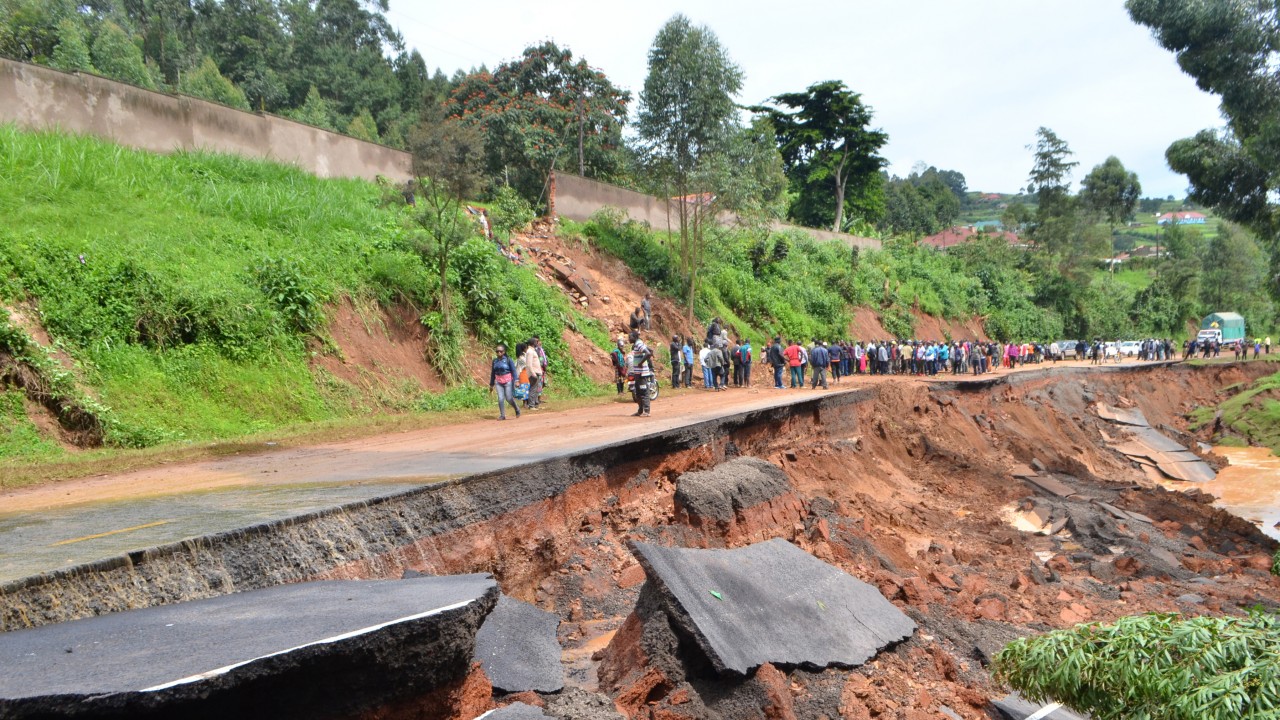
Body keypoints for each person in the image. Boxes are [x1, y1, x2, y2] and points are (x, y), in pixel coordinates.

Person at [489, 344, 520, 420]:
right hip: (498, 382)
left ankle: (516, 409)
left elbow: (514, 371)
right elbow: (493, 373)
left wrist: (516, 380)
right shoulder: (494, 361)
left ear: (504, 352)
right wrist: (491, 384)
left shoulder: (508, 360)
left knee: (509, 398)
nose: (499, 353)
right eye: (497, 351)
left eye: (501, 351)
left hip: (508, 381)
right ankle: (502, 415)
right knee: (500, 398)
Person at [628, 331, 654, 417]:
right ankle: (640, 410)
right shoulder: (637, 344)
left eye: (630, 337)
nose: (629, 339)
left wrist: (640, 362)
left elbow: (648, 353)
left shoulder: (638, 344)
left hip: (642, 373)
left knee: (644, 392)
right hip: (637, 373)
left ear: (634, 337)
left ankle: (646, 411)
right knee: (638, 393)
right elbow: (650, 350)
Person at [522, 340, 544, 409]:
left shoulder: (532, 351)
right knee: (533, 389)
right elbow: (529, 364)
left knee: (535, 389)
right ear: (533, 343)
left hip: (536, 372)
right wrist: (533, 373)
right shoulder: (530, 352)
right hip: (533, 373)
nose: (537, 343)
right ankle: (531, 405)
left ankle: (534, 404)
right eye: (536, 342)